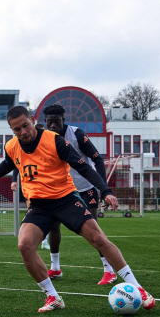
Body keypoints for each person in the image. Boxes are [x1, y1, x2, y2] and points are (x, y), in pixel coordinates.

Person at [0, 106, 154, 312]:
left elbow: (84, 167)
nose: (23, 132)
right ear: (11, 130)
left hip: (65, 199)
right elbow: (7, 164)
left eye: (25, 125)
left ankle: (138, 288)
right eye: (16, 129)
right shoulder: (12, 146)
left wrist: (105, 190)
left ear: (32, 120)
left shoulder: (55, 141)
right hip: (39, 206)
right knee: (24, 245)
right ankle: (53, 298)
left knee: (98, 239)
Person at [42, 104, 115, 285]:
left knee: (93, 229)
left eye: (56, 122)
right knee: (53, 225)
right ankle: (56, 268)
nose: (53, 126)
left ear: (63, 120)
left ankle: (109, 270)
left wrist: (102, 188)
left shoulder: (77, 134)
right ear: (44, 122)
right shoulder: (43, 138)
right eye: (49, 122)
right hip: (60, 190)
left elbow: (97, 158)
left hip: (85, 187)